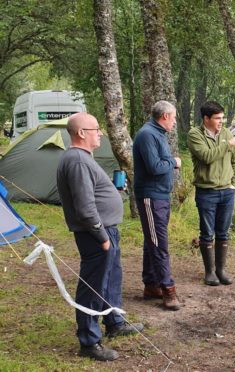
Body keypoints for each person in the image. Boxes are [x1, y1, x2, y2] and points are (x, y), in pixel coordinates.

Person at [57, 112, 143, 361]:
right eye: (96, 129)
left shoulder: (82, 158)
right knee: (92, 286)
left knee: (109, 279)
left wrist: (113, 192)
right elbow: (84, 207)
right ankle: (89, 341)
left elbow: (91, 194)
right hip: (96, 233)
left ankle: (114, 322)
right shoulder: (78, 160)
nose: (100, 133)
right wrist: (102, 236)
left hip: (105, 231)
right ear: (81, 133)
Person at [133, 100, 182, 311]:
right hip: (150, 197)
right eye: (173, 117)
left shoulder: (157, 134)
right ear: (165, 117)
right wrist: (174, 162)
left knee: (152, 240)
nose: (174, 121)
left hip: (160, 195)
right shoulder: (147, 135)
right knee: (158, 242)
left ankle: (151, 284)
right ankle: (168, 290)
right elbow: (155, 167)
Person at [187, 101, 235, 286]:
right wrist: (227, 145)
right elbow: (207, 157)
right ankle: (209, 272)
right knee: (207, 232)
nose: (221, 122)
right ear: (206, 118)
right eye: (217, 118)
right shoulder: (195, 135)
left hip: (227, 191)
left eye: (222, 118)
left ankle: (221, 270)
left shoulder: (226, 133)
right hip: (206, 192)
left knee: (223, 232)